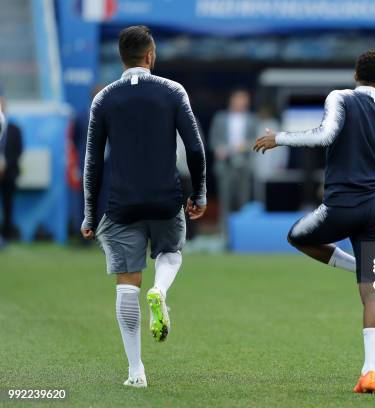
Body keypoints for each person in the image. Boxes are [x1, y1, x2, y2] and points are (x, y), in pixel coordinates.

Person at [254, 49, 375, 394]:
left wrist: (280, 138)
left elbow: (324, 135)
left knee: (297, 236)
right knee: (372, 291)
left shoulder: (341, 97)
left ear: (355, 75)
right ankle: (369, 371)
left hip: (342, 204)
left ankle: (359, 267)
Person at [81, 25, 207, 388]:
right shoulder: (172, 91)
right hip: (165, 198)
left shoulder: (103, 99)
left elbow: (93, 161)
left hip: (121, 204)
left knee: (126, 284)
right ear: (150, 55)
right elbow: (195, 148)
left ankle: (136, 371)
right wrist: (198, 194)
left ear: (122, 57)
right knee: (170, 254)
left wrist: (90, 214)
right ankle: (161, 292)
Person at [209, 89, 258, 229]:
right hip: (225, 165)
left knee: (244, 201)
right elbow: (213, 140)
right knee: (225, 201)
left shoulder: (252, 119)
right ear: (232, 100)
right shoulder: (220, 117)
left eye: (244, 100)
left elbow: (256, 141)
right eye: (238, 99)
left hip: (244, 164)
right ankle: (224, 234)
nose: (241, 102)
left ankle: (244, 232)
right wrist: (219, 148)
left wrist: (244, 146)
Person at [0, 95, 23, 240]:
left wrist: (5, 165)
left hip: (9, 173)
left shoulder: (15, 129)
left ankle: (7, 235)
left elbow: (18, 150)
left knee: (8, 205)